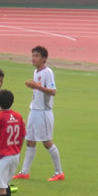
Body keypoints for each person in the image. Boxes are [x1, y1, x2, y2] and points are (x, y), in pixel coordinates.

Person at [13, 45, 64, 181]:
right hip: (34, 110)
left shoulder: (48, 72)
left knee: (47, 142)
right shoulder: (36, 72)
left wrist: (36, 86)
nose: (33, 58)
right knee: (30, 141)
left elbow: (53, 91)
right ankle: (24, 172)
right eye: (33, 56)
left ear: (44, 59)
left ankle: (59, 172)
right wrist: (35, 86)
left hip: (43, 112)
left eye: (36, 56)